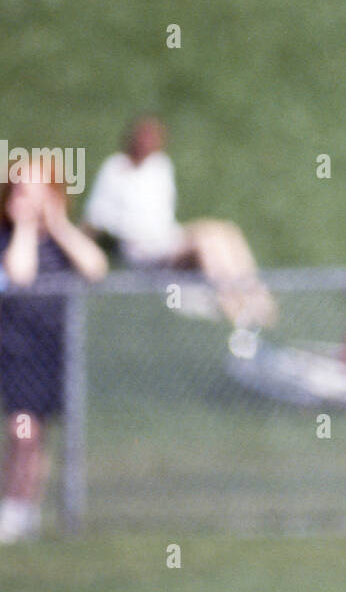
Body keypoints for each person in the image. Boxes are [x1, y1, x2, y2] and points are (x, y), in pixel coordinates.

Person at [0, 156, 108, 543]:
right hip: (14, 352)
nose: (22, 198)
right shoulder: (7, 239)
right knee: (22, 430)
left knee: (33, 434)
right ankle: (16, 508)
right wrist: (25, 227)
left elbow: (96, 268)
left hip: (53, 351)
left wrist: (57, 223)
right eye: (17, 190)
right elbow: (20, 275)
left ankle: (21, 510)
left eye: (31, 190)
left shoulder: (64, 243)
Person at [82, 117, 276, 330]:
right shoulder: (115, 169)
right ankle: (235, 312)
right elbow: (95, 218)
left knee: (225, 231)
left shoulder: (160, 166)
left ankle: (259, 301)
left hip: (167, 239)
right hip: (145, 252)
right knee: (206, 242)